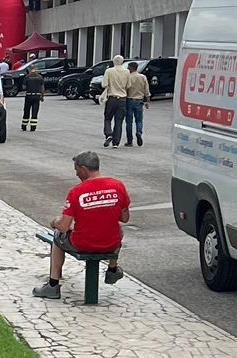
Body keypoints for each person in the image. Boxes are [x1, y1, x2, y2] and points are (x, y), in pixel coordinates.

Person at [33, 150, 130, 298]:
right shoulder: (118, 186)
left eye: (76, 170)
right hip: (110, 243)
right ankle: (112, 270)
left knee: (58, 236)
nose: (76, 174)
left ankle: (53, 285)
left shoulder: (76, 192)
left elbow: (64, 226)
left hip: (83, 243)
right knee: (118, 230)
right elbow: (124, 218)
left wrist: (54, 222)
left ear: (83, 168)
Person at [100, 55, 130, 148]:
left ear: (113, 62)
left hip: (111, 98)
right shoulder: (127, 71)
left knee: (108, 118)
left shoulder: (109, 71)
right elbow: (128, 85)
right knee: (119, 121)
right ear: (122, 62)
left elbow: (104, 84)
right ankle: (116, 143)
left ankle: (109, 134)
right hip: (122, 99)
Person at [124, 60, 150, 147]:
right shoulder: (142, 77)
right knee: (139, 120)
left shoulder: (128, 77)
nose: (127, 69)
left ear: (131, 68)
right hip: (139, 101)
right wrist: (147, 101)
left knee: (129, 122)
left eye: (128, 67)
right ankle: (139, 132)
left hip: (129, 100)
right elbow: (146, 89)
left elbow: (125, 88)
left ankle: (129, 141)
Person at [20, 62, 44, 131]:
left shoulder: (27, 77)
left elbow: (24, 87)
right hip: (37, 96)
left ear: (29, 69)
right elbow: (42, 87)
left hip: (29, 96)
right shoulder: (40, 77)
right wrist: (42, 96)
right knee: (35, 111)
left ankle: (24, 126)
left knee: (26, 111)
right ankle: (33, 127)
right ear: (35, 69)